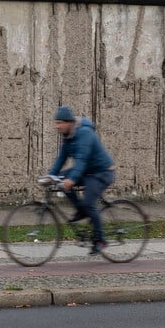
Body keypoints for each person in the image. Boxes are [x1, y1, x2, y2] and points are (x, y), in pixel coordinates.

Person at [47, 105, 116, 254]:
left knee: (89, 203)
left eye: (59, 123)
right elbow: (61, 158)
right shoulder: (68, 136)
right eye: (56, 123)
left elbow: (81, 160)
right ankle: (81, 211)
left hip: (101, 172)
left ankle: (100, 240)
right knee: (61, 180)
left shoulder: (84, 133)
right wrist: (51, 176)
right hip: (87, 171)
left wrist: (72, 180)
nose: (56, 126)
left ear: (68, 122)